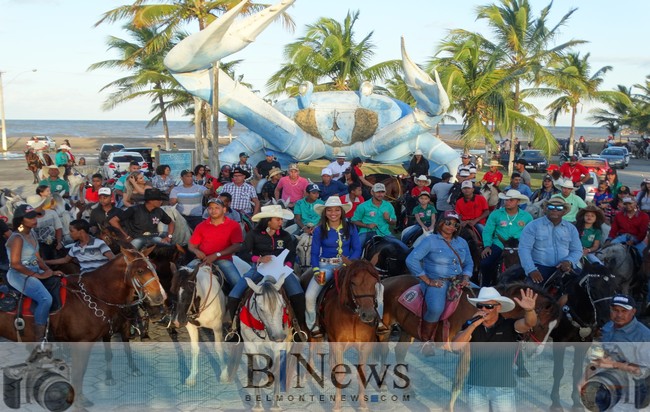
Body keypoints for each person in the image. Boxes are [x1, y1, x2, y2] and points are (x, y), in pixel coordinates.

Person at [452, 287, 538, 412]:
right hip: (476, 387)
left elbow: (529, 323)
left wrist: (529, 310)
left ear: (498, 307)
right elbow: (455, 346)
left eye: (489, 306)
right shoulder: (471, 325)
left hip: (503, 388)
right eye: (480, 306)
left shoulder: (508, 325)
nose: (483, 309)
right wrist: (473, 324)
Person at [225, 205, 306, 337]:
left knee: (298, 295)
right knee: (234, 295)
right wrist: (259, 258)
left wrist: (288, 265)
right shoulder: (253, 234)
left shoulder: (285, 236)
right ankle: (235, 329)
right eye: (278, 219)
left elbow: (291, 254)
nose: (281, 222)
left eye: (281, 220)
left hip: (281, 271)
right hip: (258, 269)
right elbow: (243, 253)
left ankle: (299, 329)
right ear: (268, 220)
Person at [306, 197, 378, 337]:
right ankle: (312, 324)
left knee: (377, 287)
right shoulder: (320, 230)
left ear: (342, 211)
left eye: (337, 210)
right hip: (325, 266)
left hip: (348, 266)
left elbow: (357, 248)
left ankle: (379, 320)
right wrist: (316, 270)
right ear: (325, 212)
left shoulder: (350, 227)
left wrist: (349, 262)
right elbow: (314, 253)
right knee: (310, 295)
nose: (333, 213)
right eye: (330, 210)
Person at [406, 210, 473, 341]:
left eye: (455, 225)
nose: (451, 227)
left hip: (458, 280)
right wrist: (427, 280)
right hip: (438, 281)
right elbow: (411, 260)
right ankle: (426, 338)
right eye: (448, 223)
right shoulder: (430, 240)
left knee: (481, 296)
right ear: (441, 223)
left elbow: (469, 262)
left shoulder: (462, 242)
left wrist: (466, 277)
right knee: (436, 309)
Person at [6, 204, 64, 342]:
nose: (34, 219)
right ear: (21, 220)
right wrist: (37, 275)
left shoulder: (30, 233)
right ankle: (40, 339)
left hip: (34, 269)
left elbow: (37, 258)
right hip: (19, 274)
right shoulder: (17, 238)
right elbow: (15, 264)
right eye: (30, 217)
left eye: (35, 216)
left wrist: (49, 270)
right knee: (46, 299)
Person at [589, 294, 650, 412]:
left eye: (624, 311)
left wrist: (614, 364)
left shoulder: (644, 336)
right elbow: (600, 358)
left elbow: (643, 371)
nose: (619, 315)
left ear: (633, 312)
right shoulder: (608, 327)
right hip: (605, 385)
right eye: (615, 310)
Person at [518, 197, 582, 284]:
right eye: (551, 207)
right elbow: (524, 249)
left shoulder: (571, 228)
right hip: (539, 267)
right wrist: (531, 270)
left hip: (565, 267)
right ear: (545, 210)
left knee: (587, 286)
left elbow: (577, 250)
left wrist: (569, 261)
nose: (555, 210)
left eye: (559, 208)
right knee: (531, 293)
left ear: (564, 212)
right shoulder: (533, 226)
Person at [480, 189, 533, 286]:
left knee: (531, 266)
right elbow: (488, 230)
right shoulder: (496, 214)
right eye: (506, 200)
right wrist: (487, 246)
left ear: (518, 202)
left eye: (511, 200)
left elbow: (531, 234)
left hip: (519, 246)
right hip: (499, 244)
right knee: (486, 263)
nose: (507, 202)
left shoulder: (527, 216)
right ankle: (485, 286)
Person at [188, 197, 243, 289]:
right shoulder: (201, 226)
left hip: (223, 259)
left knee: (237, 284)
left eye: (217, 208)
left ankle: (237, 302)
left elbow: (237, 245)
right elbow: (191, 245)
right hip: (203, 259)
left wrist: (216, 255)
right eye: (210, 208)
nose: (213, 211)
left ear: (224, 210)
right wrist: (196, 251)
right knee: (183, 276)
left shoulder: (233, 225)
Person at [109, 188, 175, 249]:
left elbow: (171, 222)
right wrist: (126, 236)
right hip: (137, 238)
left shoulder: (159, 211)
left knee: (170, 248)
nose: (161, 201)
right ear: (151, 201)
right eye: (158, 199)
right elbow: (113, 221)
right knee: (131, 253)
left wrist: (169, 237)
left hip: (154, 237)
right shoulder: (133, 209)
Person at [44, 219, 114, 274]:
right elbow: (65, 260)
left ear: (81, 232)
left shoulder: (99, 243)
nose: (69, 233)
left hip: (102, 277)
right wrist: (45, 262)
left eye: (72, 231)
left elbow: (112, 259)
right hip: (86, 281)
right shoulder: (75, 247)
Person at [26, 195, 64, 260]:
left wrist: (59, 242)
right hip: (38, 245)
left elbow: (58, 228)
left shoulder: (52, 213)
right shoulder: (27, 219)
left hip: (53, 242)